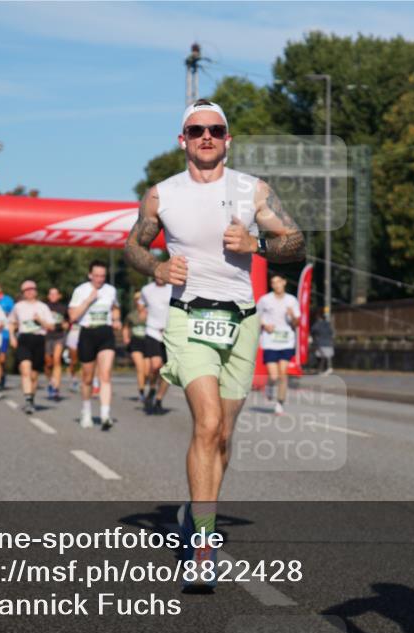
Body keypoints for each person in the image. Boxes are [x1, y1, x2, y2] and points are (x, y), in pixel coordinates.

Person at [124, 98, 305, 585]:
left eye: (216, 130)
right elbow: (133, 245)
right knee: (205, 424)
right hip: (187, 318)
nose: (207, 136)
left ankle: (192, 512)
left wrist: (257, 245)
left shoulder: (253, 190)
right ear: (181, 139)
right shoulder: (161, 196)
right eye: (197, 129)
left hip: (241, 322)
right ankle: (202, 544)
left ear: (228, 139)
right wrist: (159, 267)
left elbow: (296, 241)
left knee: (223, 436)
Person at [69, 261, 121, 430]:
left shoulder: (110, 290)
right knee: (87, 378)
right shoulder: (80, 290)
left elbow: (115, 308)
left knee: (105, 375)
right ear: (90, 275)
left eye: (103, 276)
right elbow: (73, 317)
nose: (100, 279)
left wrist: (116, 319)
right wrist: (88, 300)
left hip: (105, 333)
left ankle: (105, 414)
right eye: (97, 276)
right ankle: (86, 411)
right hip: (87, 334)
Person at [8, 280, 54, 414]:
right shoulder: (18, 306)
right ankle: (28, 400)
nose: (29, 292)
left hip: (39, 339)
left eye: (32, 289)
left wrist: (40, 321)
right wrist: (12, 336)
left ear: (36, 291)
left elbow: (51, 326)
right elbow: (11, 322)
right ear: (23, 293)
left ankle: (31, 398)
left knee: (34, 375)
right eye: (26, 290)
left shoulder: (43, 307)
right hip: (24, 339)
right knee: (25, 370)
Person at [257, 273, 301, 414]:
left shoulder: (291, 300)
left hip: (286, 341)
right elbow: (255, 316)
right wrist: (265, 325)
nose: (276, 285)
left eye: (278, 282)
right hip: (270, 341)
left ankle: (279, 403)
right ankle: (270, 387)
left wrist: (292, 315)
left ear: (284, 282)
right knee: (274, 376)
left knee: (283, 374)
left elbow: (297, 323)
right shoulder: (265, 300)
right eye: (273, 282)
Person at [140, 276, 173, 414]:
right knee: (155, 366)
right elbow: (141, 304)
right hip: (153, 331)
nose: (160, 277)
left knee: (168, 372)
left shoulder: (173, 288)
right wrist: (142, 312)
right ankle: (152, 387)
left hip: (170, 333)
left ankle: (159, 399)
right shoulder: (147, 290)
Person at [123, 292, 149, 401]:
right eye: (137, 300)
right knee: (140, 368)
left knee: (147, 371)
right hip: (135, 342)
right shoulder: (131, 315)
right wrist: (126, 338)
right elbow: (126, 327)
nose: (139, 302)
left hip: (148, 342)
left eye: (141, 299)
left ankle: (145, 385)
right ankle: (141, 392)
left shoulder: (151, 314)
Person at [44, 287, 68, 401]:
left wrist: (67, 324)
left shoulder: (63, 308)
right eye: (51, 294)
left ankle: (56, 388)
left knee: (57, 360)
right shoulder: (44, 307)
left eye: (55, 294)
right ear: (48, 296)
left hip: (59, 336)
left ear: (59, 296)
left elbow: (68, 321)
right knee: (48, 363)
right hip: (46, 337)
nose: (53, 296)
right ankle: (50, 381)